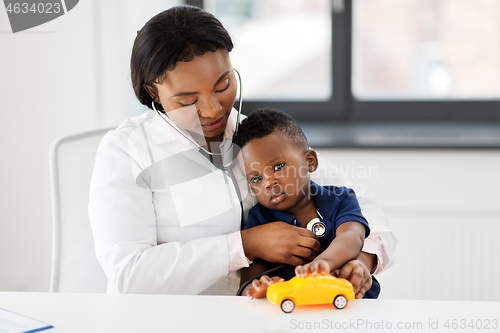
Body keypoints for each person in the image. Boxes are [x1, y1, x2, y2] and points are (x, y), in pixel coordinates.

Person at [88, 5, 397, 296]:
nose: (212, 110)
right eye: (187, 100)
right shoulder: (126, 151)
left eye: (222, 85)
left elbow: (358, 206)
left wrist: (363, 260)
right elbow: (129, 275)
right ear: (153, 91)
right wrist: (244, 245)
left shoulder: (259, 137)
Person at [234, 108, 380, 299]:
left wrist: (324, 264)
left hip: (349, 302)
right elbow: (252, 271)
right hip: (293, 312)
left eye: (278, 167)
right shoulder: (259, 218)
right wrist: (256, 287)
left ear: (310, 162)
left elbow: (352, 237)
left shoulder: (340, 199)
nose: (269, 182)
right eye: (256, 179)